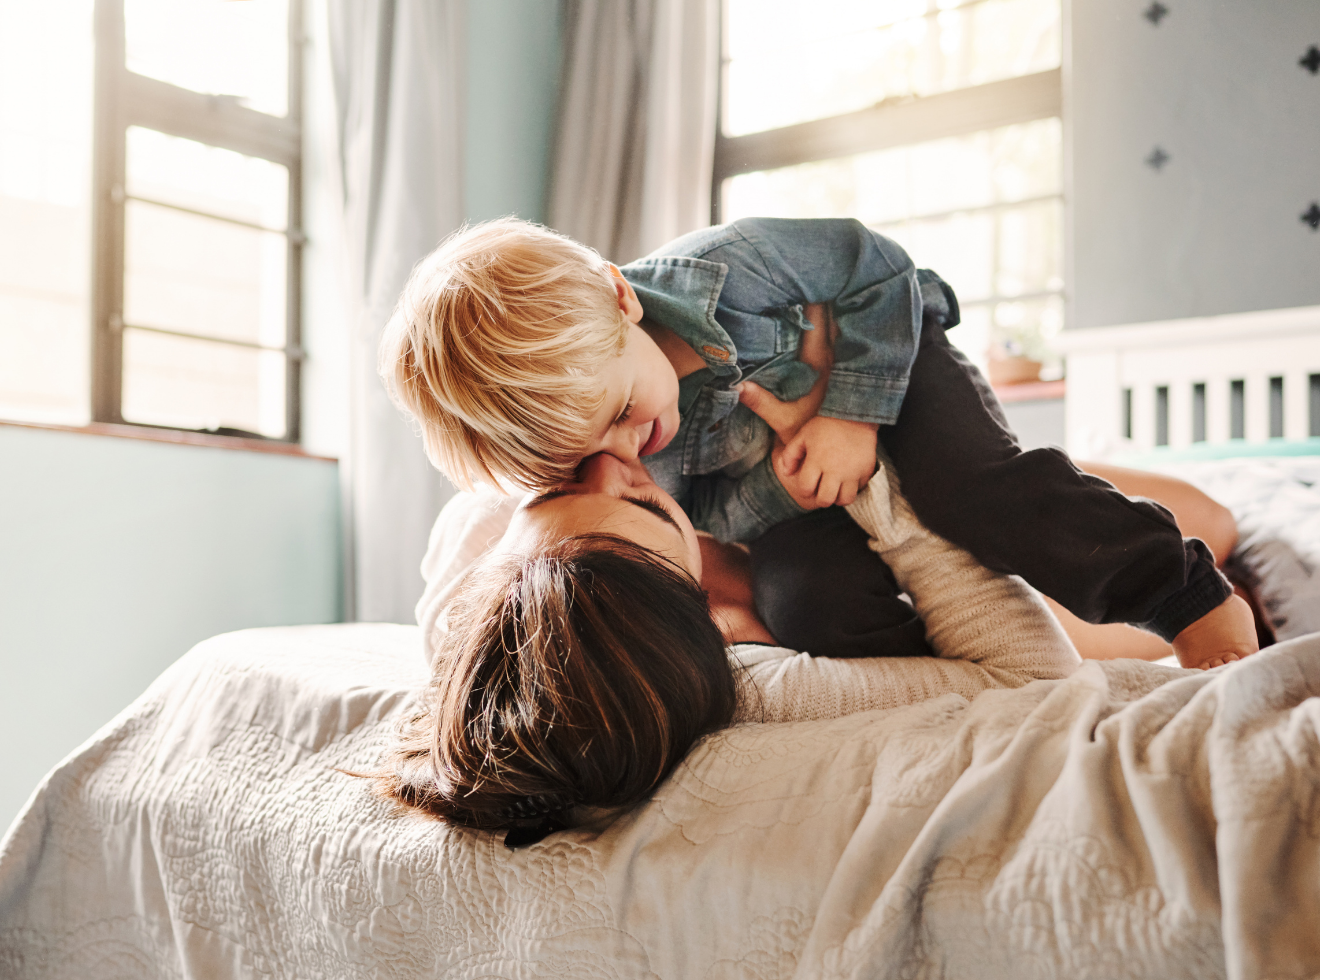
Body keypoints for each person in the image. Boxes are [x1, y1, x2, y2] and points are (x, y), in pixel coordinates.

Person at [379, 216, 1256, 671]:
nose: (626, 449)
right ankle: (929, 671)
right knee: (808, 599)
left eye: (618, 412)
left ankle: (1181, 592)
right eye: (590, 451)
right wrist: (783, 504)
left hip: (893, 378)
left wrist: (853, 413)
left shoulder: (731, 268)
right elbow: (711, 510)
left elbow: (888, 273)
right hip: (800, 493)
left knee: (973, 493)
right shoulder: (602, 456)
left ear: (619, 297)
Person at [377, 451, 1080, 842]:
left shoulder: (485, 547)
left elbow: (461, 613)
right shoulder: (751, 682)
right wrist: (877, 484)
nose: (612, 463)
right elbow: (1037, 677)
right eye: (642, 508)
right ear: (708, 618)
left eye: (549, 495)